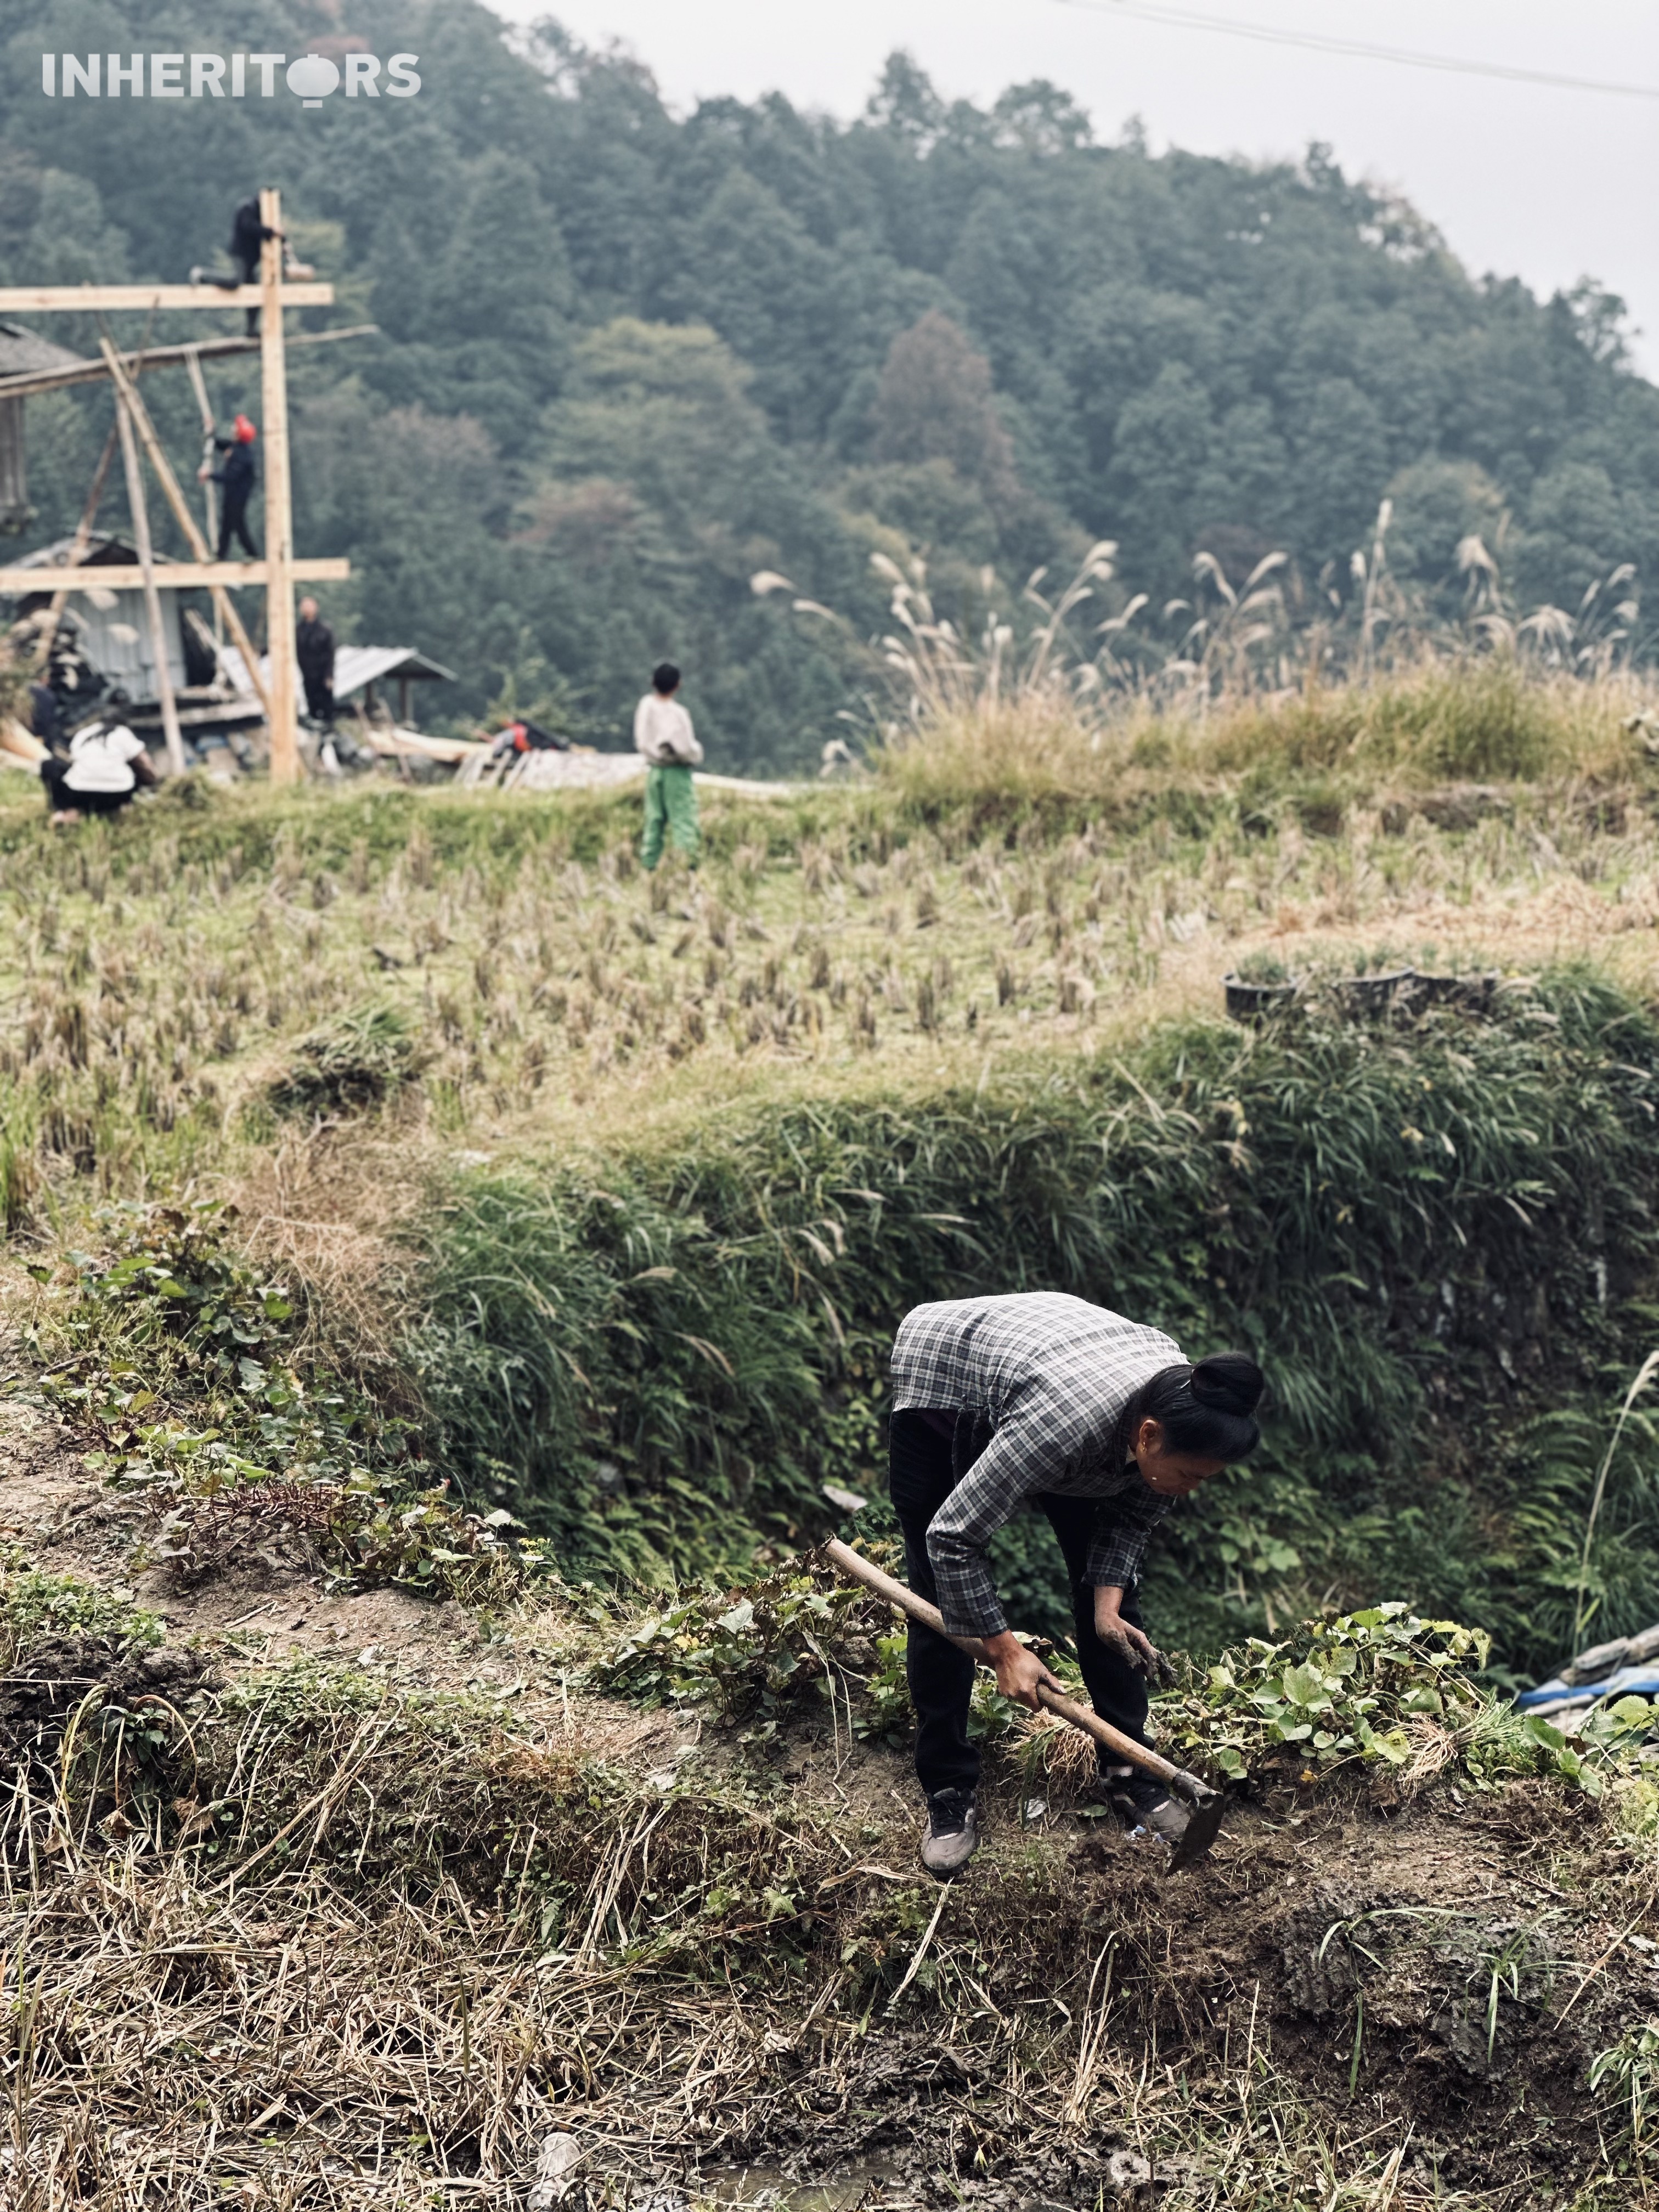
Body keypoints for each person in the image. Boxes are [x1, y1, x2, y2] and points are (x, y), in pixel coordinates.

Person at [887, 1292, 1265, 1877]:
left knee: (1114, 1612)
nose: (1193, 1489)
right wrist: (1004, 1651)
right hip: (946, 1381)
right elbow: (954, 1536)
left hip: (1059, 1363)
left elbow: (1132, 1517)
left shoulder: (1181, 1405)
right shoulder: (1060, 1427)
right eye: (1190, 1474)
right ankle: (948, 1789)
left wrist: (1106, 1609)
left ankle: (1129, 1777)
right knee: (938, 1598)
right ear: (1145, 1437)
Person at [39, 696, 158, 824]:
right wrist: (154, 782)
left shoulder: (84, 734)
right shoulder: (123, 733)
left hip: (81, 795)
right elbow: (144, 764)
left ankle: (68, 810)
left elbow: (73, 763)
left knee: (50, 765)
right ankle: (124, 807)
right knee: (135, 765)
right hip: (117, 795)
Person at [634, 662, 703, 870]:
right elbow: (684, 747)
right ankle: (687, 864)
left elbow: (642, 740)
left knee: (654, 819)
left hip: (654, 771)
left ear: (653, 683)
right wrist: (696, 753)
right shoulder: (678, 713)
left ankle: (649, 864)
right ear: (678, 685)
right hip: (676, 771)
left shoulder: (646, 705)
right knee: (683, 818)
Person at [201, 416, 258, 560]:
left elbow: (230, 477)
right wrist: (210, 433)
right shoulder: (235, 447)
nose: (232, 429)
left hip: (239, 494)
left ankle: (252, 553)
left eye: (235, 428)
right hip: (232, 494)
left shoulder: (243, 455)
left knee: (237, 522)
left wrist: (210, 475)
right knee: (228, 523)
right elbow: (218, 444)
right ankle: (221, 555)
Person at [296, 599, 336, 727]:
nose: (307, 609)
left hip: (322, 674)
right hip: (307, 674)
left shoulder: (325, 630)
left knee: (326, 705)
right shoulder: (298, 630)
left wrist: (329, 676)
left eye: (309, 606)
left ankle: (329, 731)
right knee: (311, 704)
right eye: (304, 606)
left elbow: (331, 654)